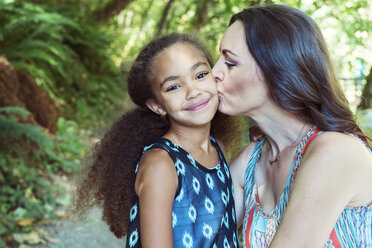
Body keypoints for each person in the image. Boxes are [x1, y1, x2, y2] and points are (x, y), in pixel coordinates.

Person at [211, 4, 372, 248]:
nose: (214, 72)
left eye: (230, 63)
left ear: (275, 69)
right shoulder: (251, 160)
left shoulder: (337, 151)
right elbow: (204, 237)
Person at [70, 33, 244, 248]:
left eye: (200, 75)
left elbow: (221, 228)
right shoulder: (161, 164)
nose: (193, 92)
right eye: (173, 87)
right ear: (157, 105)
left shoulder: (217, 148)